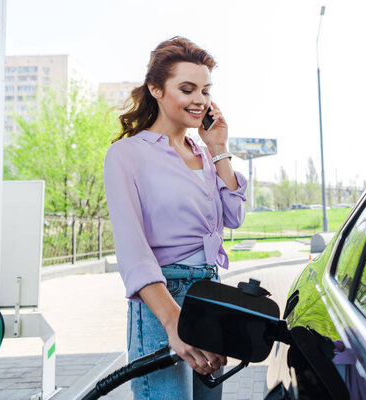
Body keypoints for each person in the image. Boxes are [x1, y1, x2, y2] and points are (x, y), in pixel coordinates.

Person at [104, 37, 247, 400]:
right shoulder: (127, 155)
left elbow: (235, 216)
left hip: (210, 295)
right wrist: (172, 321)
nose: (200, 100)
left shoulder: (204, 152)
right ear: (155, 89)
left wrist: (218, 149)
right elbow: (134, 251)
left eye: (205, 90)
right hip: (163, 300)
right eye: (187, 89)